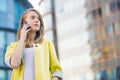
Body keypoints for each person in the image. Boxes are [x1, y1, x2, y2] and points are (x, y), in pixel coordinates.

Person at [5, 8, 63, 80]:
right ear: (24, 22)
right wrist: (22, 39)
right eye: (33, 17)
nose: (37, 20)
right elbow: (14, 64)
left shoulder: (47, 44)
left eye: (38, 19)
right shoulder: (13, 46)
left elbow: (56, 71)